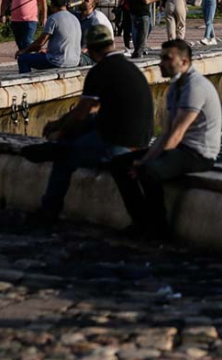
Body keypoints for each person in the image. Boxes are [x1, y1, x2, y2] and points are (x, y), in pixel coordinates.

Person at [20, 25, 154, 227]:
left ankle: (49, 211)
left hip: (117, 142)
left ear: (90, 51)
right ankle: (59, 145)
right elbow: (93, 111)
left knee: (64, 159)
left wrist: (58, 125)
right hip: (141, 138)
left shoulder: (99, 71)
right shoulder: (130, 67)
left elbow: (82, 112)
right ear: (111, 44)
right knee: (88, 124)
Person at [117, 39, 222, 236]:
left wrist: (144, 162)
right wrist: (141, 159)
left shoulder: (195, 86)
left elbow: (176, 135)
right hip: (180, 149)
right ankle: (140, 221)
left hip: (198, 154)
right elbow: (166, 133)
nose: (160, 63)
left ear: (184, 62)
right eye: (161, 57)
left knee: (148, 170)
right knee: (119, 163)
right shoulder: (175, 87)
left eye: (167, 58)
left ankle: (159, 228)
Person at [16, 0, 82, 72]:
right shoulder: (74, 18)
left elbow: (40, 43)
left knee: (23, 59)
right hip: (75, 60)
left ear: (52, 5)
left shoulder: (53, 18)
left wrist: (24, 50)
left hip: (58, 60)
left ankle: (26, 81)